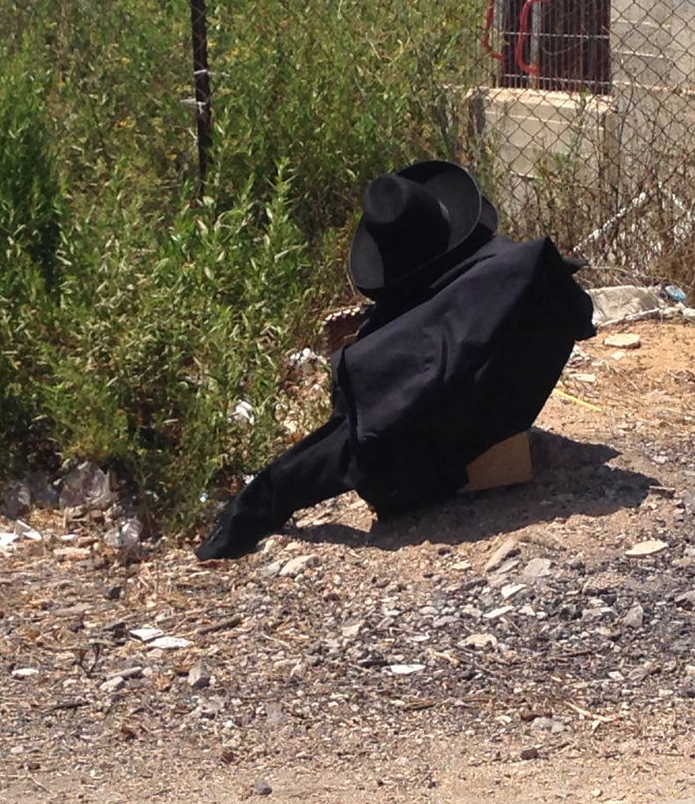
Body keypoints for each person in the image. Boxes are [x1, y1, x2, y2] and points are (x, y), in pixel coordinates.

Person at [195, 160, 594, 560]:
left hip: (436, 453)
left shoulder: (407, 347)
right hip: (506, 396)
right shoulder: (525, 273)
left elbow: (347, 448)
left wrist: (252, 509)